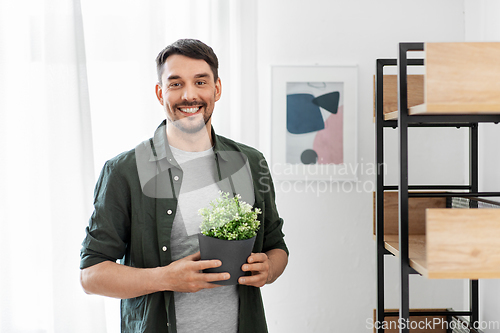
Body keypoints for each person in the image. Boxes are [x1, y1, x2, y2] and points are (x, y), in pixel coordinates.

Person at [79, 39, 288, 333]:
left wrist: (268, 270)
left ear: (216, 88)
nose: (189, 95)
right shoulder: (124, 171)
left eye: (200, 81)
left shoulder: (251, 163)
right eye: (175, 84)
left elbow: (276, 247)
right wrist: (165, 278)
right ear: (159, 92)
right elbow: (91, 275)